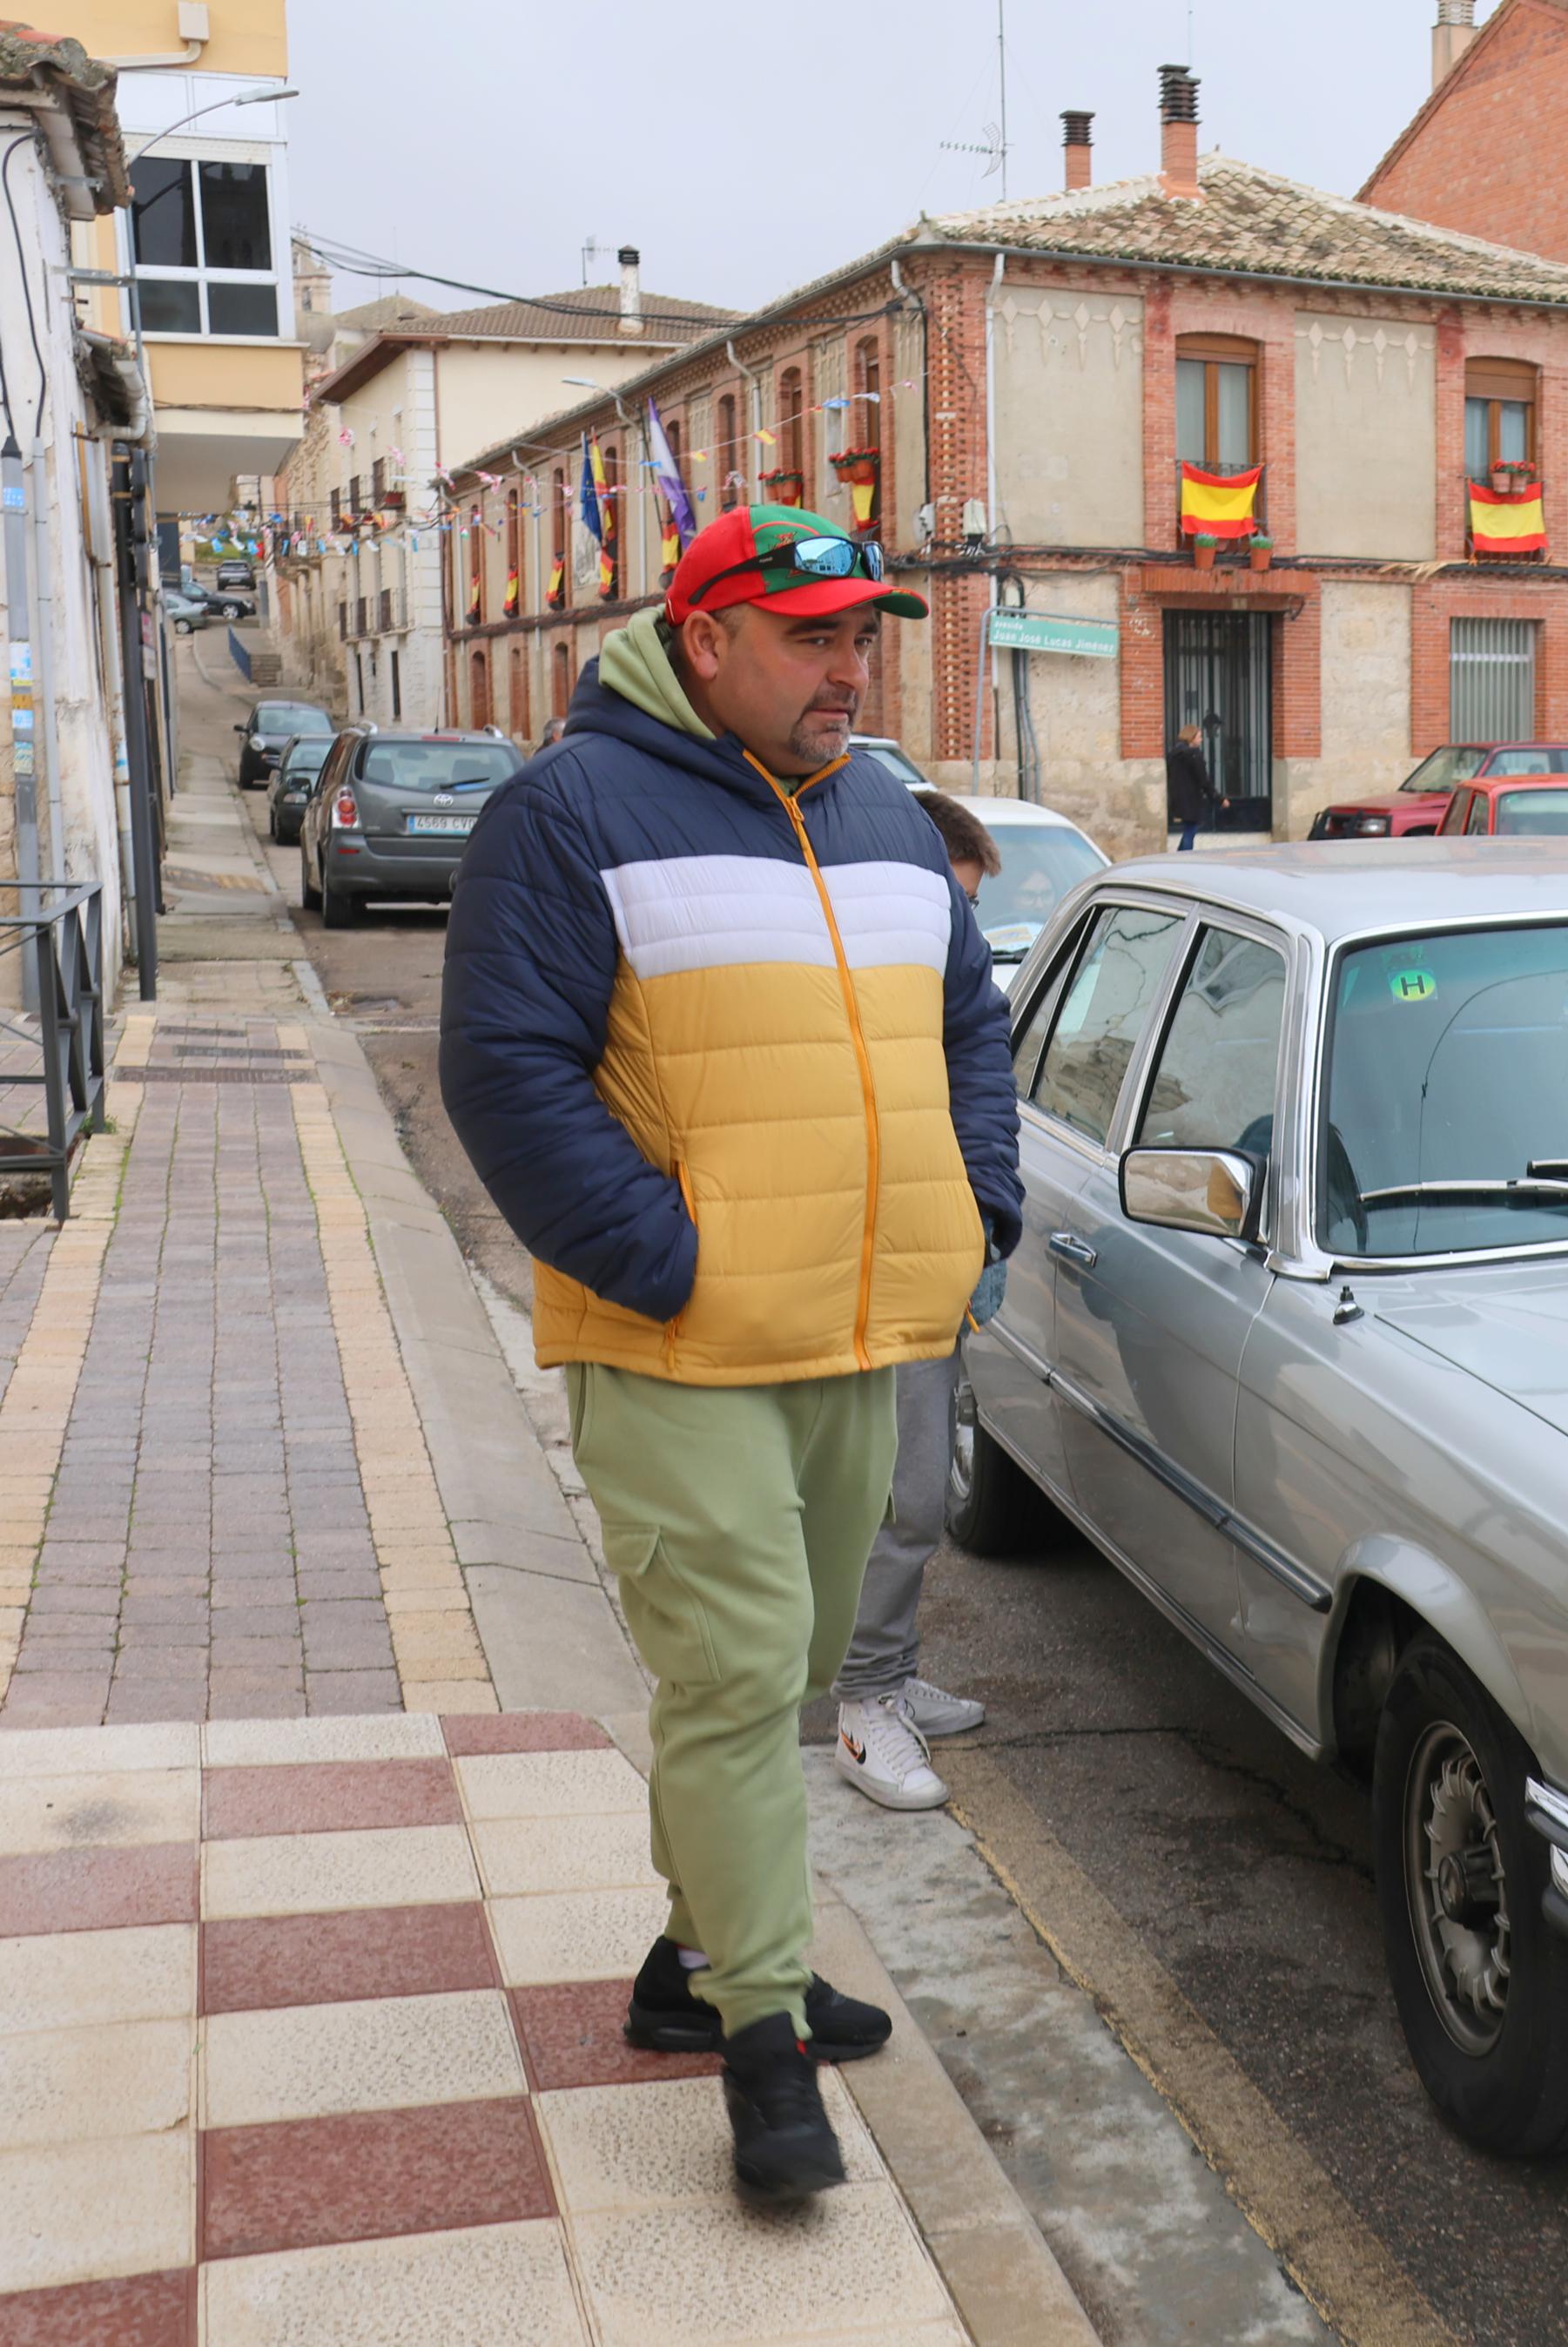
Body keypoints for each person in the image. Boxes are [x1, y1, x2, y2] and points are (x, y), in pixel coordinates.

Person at [439, 505, 1021, 2207]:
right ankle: (760, 2036)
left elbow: (967, 1028)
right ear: (704, 641)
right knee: (738, 1670)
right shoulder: (567, 811)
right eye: (810, 638)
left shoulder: (887, 815)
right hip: (678, 1340)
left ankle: (687, 1962)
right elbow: (504, 1067)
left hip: (859, 1324)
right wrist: (667, 1262)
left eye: (862, 637)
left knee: (793, 1669)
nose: (850, 670)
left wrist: (976, 1199)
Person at [831, 788, 1001, 1812]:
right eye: (956, 906)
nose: (966, 932)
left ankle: (886, 1674)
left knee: (916, 1488)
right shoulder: (870, 996)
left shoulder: (943, 1003)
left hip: (927, 1257)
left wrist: (987, 1224)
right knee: (902, 1498)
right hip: (872, 1267)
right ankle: (862, 1703)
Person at [1167, 718, 1216, 849]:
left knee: (1189, 829)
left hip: (1177, 798)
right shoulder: (1194, 755)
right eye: (1199, 737)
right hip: (1191, 799)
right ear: (1191, 738)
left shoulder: (1173, 754)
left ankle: (1181, 855)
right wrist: (1216, 797)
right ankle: (1184, 856)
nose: (1201, 740)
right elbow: (1203, 779)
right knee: (1191, 830)